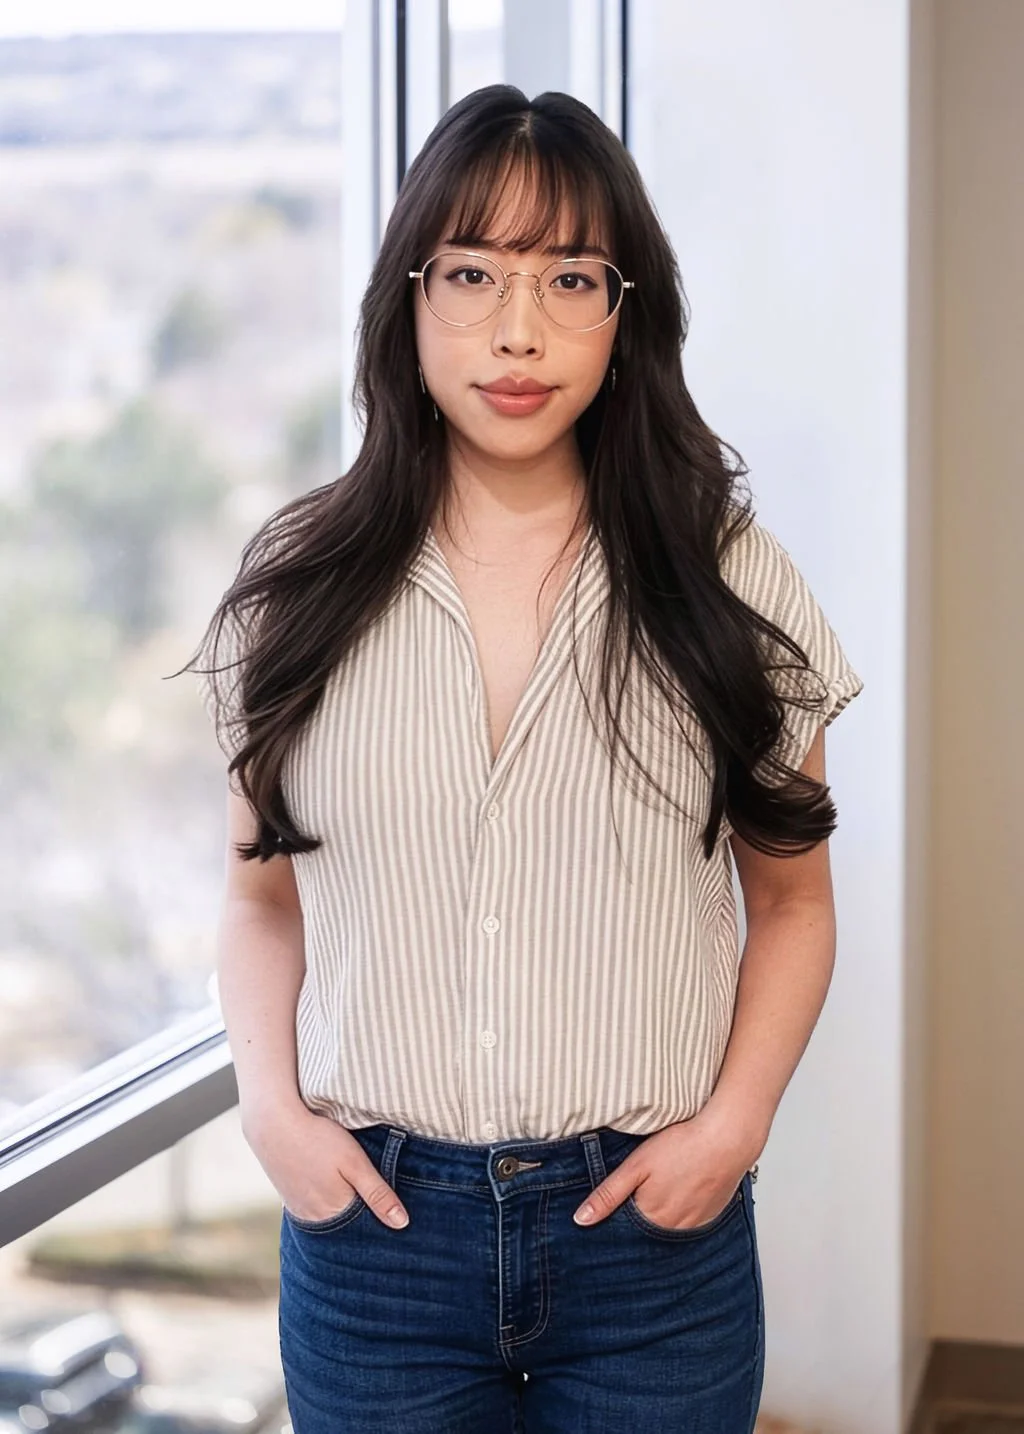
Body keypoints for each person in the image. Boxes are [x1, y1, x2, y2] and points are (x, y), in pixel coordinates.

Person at [190, 84, 863, 1434]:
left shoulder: (727, 577)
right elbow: (262, 899)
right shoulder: (296, 586)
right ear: (407, 298)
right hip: (373, 1240)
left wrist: (733, 1127)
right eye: (472, 273)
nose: (518, 329)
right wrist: (271, 1109)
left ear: (627, 311)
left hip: (651, 1247)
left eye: (570, 277)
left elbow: (791, 898)